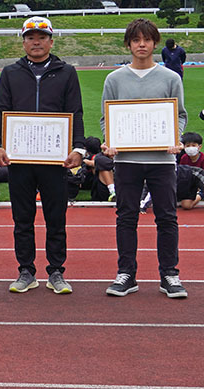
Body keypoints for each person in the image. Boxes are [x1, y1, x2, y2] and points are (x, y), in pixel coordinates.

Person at [0, 17, 85, 294]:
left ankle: (56, 271)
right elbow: (0, 110)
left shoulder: (67, 72)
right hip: (20, 158)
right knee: (22, 217)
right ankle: (26, 270)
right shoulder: (10, 72)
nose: (36, 42)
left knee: (56, 216)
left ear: (51, 41)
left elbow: (75, 112)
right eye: (30, 37)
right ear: (23, 41)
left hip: (53, 159)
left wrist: (78, 147)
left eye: (41, 38)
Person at [100, 18, 188, 298]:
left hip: (162, 160)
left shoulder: (170, 78)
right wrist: (110, 142)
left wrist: (176, 138)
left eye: (147, 40)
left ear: (155, 43)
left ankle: (169, 274)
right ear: (128, 43)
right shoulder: (114, 79)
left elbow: (181, 116)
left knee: (167, 217)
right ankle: (126, 273)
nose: (141, 45)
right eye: (136, 40)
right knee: (126, 217)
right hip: (127, 161)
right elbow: (106, 118)